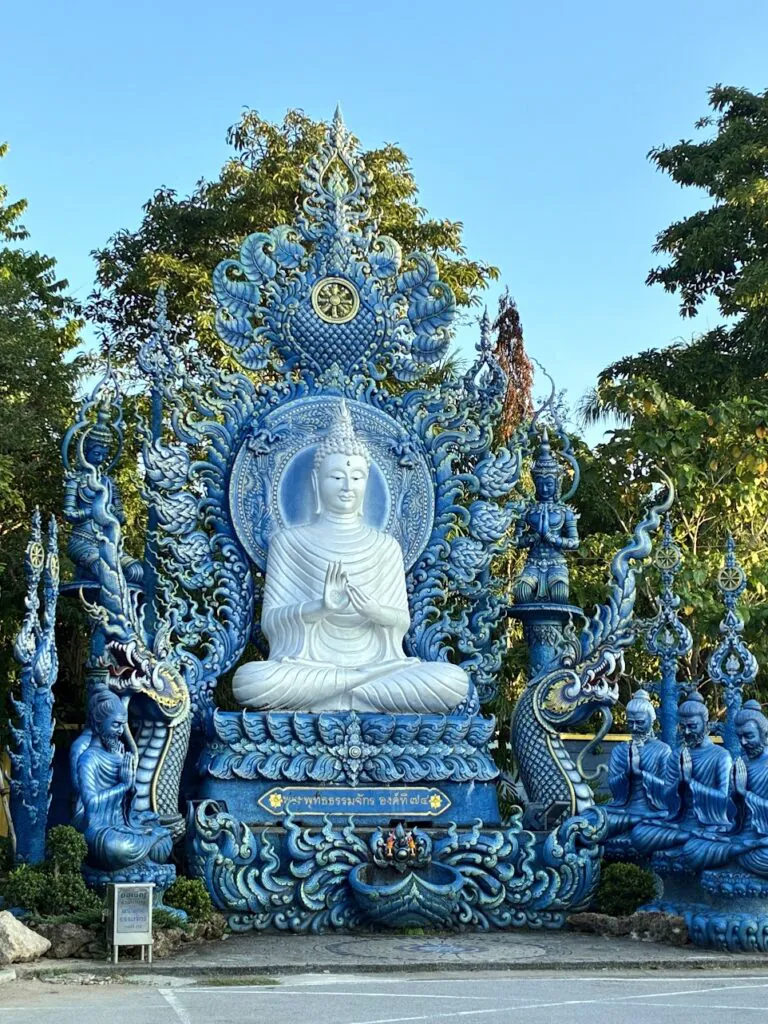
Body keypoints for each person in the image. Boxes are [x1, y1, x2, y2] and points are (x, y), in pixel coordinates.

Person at [232, 402, 469, 713]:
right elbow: (272, 623)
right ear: (317, 482)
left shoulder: (385, 547)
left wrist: (375, 611)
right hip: (309, 668)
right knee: (250, 681)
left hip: (380, 668)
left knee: (452, 681)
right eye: (336, 477)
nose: (347, 487)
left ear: (367, 483)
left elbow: (401, 621)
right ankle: (353, 685)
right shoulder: (289, 542)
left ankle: (343, 688)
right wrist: (319, 607)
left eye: (357, 478)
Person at [71, 688, 172, 870]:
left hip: (123, 824)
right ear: (98, 725)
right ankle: (148, 842)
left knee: (164, 842)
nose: (120, 731)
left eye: (122, 725)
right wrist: (123, 784)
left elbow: (126, 803)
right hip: (101, 829)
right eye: (115, 725)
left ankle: (148, 842)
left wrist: (130, 784)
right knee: (114, 848)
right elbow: (91, 805)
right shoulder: (88, 758)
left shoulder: (118, 754)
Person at [630, 692, 733, 865]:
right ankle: (690, 838)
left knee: (699, 847)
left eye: (692, 726)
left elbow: (724, 800)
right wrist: (680, 783)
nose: (686, 732)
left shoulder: (721, 756)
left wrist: (690, 782)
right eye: (682, 727)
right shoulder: (677, 754)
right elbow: (665, 800)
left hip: (710, 823)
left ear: (706, 725)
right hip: (680, 822)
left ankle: (695, 839)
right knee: (640, 833)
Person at [512, 429, 579, 604]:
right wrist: (533, 538)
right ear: (535, 483)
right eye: (540, 484)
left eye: (549, 483)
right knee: (521, 593)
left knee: (559, 594)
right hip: (532, 563)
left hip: (556, 563)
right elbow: (516, 541)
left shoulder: (565, 512)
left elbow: (574, 542)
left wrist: (552, 538)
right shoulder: (527, 511)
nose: (544, 488)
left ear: (557, 483)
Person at [604, 689, 671, 838]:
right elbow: (613, 787)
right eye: (630, 723)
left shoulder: (662, 750)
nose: (634, 728)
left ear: (651, 720)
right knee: (592, 816)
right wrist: (627, 774)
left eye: (640, 722)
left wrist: (640, 774)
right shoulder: (620, 750)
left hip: (654, 811)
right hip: (623, 809)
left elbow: (668, 789)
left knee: (656, 826)